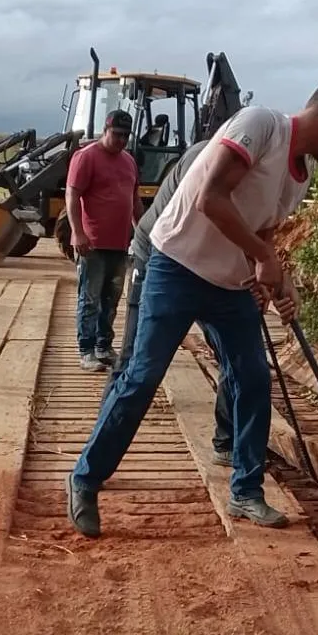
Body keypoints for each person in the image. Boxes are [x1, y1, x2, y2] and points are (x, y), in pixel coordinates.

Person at [67, 78, 318, 537]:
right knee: (142, 377)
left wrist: (277, 281)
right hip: (176, 265)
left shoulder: (301, 174)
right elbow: (210, 198)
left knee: (252, 378)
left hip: (228, 285)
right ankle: (85, 478)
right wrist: (264, 257)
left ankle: (246, 491)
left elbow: (264, 232)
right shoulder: (261, 125)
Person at [100, 137, 239, 467]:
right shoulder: (205, 158)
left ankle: (227, 443)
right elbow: (195, 222)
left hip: (205, 264)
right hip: (157, 255)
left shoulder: (257, 168)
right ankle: (103, 442)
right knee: (136, 358)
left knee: (235, 357)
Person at [66, 109, 144, 372]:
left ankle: (103, 346)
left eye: (126, 136)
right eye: (117, 134)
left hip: (119, 243)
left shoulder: (129, 161)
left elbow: (134, 200)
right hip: (93, 243)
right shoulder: (86, 157)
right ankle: (86, 350)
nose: (121, 140)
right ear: (105, 130)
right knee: (90, 298)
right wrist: (77, 232)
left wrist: (142, 233)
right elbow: (72, 196)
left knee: (111, 298)